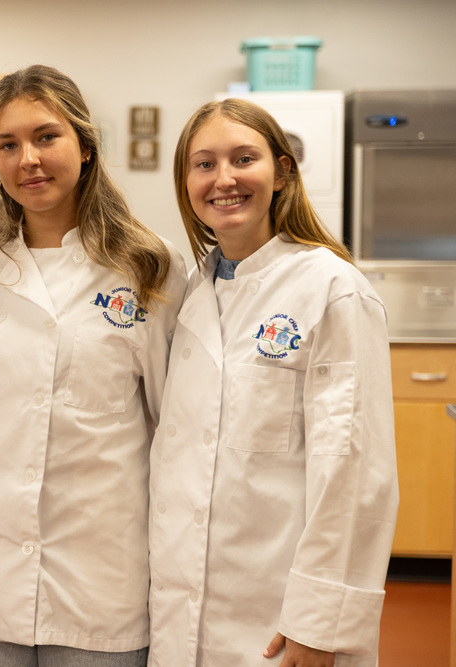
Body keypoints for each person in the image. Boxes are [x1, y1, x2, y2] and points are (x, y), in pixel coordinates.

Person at [0, 64, 187, 667]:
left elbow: (174, 429)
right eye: (8, 144)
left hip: (102, 579)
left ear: (84, 144)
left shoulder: (148, 269)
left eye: (46, 136)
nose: (28, 158)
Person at [147, 98, 399, 666]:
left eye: (243, 159)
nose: (224, 179)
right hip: (182, 612)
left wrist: (319, 621)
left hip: (282, 619)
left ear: (282, 172)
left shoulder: (332, 289)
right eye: (204, 164)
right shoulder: (190, 295)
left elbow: (356, 472)